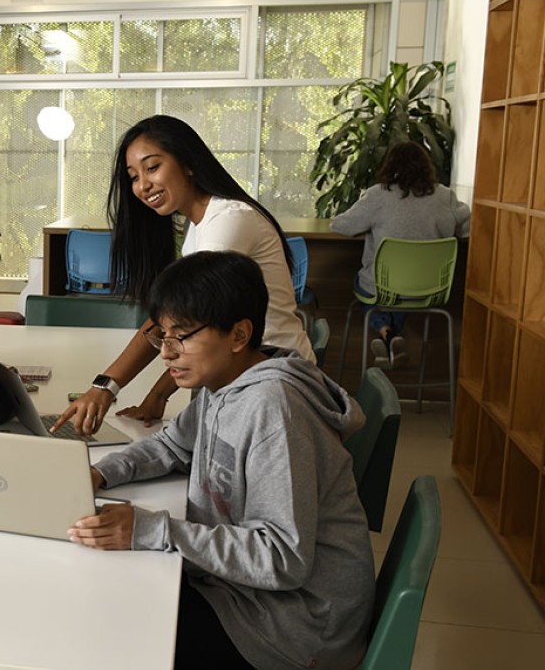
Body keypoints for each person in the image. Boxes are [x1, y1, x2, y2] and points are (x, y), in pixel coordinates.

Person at [69, 251, 374, 670]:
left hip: (295, 625)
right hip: (242, 591)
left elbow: (281, 557)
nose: (166, 354)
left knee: (116, 637)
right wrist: (100, 472)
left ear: (238, 334)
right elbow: (173, 445)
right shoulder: (223, 381)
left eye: (183, 336)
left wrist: (152, 529)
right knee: (111, 598)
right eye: (163, 336)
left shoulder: (274, 409)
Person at [56, 115, 312, 437]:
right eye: (133, 176)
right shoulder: (199, 224)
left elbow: (183, 319)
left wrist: (105, 387)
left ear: (188, 163)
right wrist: (157, 395)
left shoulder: (228, 221)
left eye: (152, 168)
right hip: (237, 373)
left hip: (274, 379)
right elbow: (183, 327)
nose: (142, 185)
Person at [330, 141, 470, 368]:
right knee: (403, 291)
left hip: (383, 289)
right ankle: (390, 336)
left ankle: (385, 331)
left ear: (389, 166)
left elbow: (341, 226)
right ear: (427, 167)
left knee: (371, 287)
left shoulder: (378, 195)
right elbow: (466, 229)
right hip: (431, 289)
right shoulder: (446, 197)